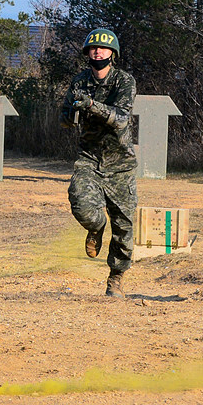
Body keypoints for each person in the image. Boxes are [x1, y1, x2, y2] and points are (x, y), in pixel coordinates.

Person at [60, 28, 137, 298]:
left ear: (112, 53)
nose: (98, 52)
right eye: (93, 48)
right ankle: (95, 227)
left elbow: (121, 119)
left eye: (103, 49)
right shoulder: (79, 81)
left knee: (124, 228)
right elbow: (66, 120)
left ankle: (115, 278)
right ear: (87, 53)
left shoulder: (124, 81)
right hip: (90, 158)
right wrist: (70, 110)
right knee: (79, 202)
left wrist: (91, 104)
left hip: (120, 164)